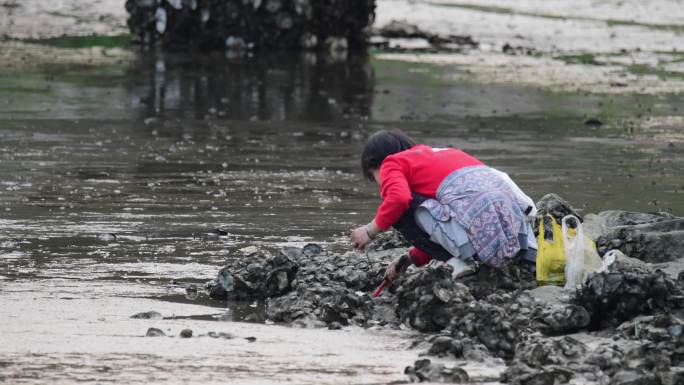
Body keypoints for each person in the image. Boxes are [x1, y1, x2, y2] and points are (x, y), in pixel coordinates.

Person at [350, 129, 537, 281]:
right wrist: (412, 257)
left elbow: (399, 199)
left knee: (399, 207)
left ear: (375, 165)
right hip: (517, 232)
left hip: (482, 229)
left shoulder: (392, 162)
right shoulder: (450, 154)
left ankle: (462, 262)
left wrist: (369, 231)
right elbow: (445, 222)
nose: (379, 184)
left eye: (374, 177)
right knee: (425, 204)